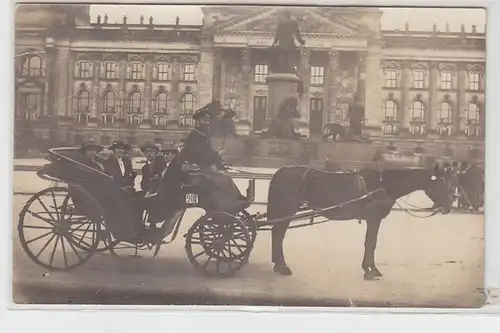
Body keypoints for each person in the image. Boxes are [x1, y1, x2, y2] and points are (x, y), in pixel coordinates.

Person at [177, 105, 249, 213]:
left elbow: (208, 151)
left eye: (208, 120)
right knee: (225, 179)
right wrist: (216, 155)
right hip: (201, 169)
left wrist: (217, 157)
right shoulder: (195, 136)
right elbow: (199, 153)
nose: (207, 122)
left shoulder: (202, 134)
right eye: (205, 120)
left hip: (205, 167)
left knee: (225, 177)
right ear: (198, 121)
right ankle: (233, 202)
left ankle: (234, 201)